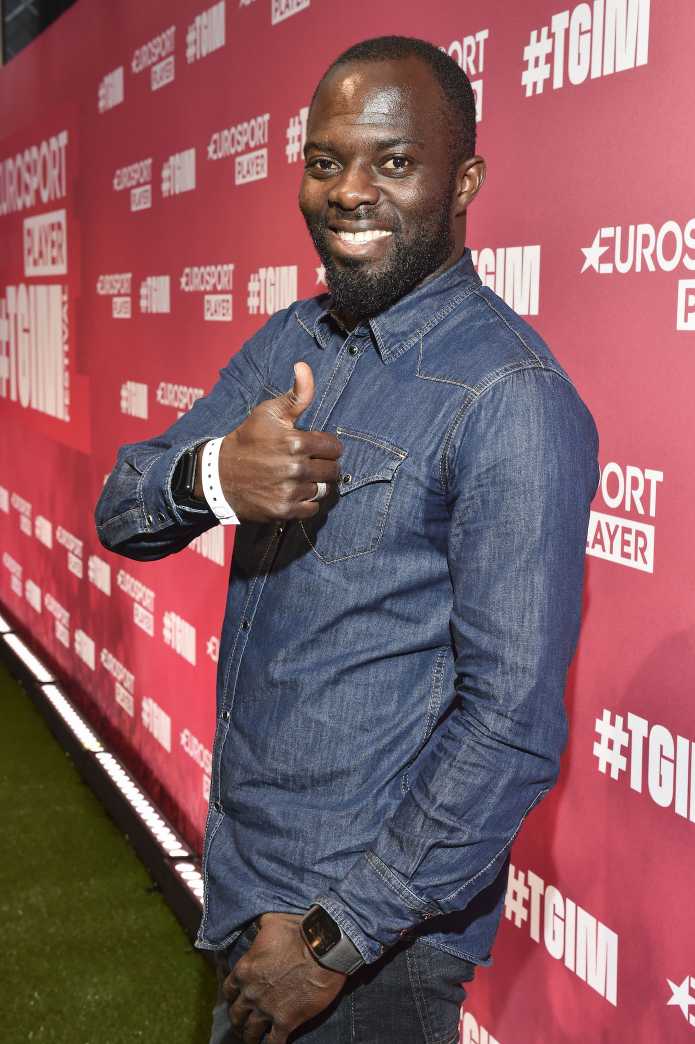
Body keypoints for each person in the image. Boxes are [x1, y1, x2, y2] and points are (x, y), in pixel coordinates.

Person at [95, 35, 599, 1044]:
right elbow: (122, 510)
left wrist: (334, 940)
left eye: (393, 162)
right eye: (325, 162)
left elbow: (509, 727)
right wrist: (214, 478)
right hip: (252, 889)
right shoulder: (296, 339)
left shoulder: (512, 398)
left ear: (464, 182)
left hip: (365, 954)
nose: (350, 191)